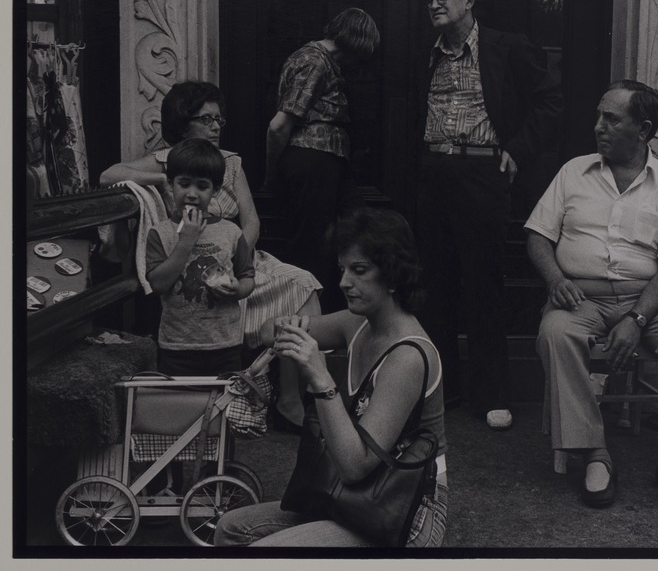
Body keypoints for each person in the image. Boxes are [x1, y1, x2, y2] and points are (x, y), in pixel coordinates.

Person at [524, 79, 658, 510]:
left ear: (643, 129)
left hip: (649, 296)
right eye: (598, 116)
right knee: (555, 334)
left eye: (611, 119)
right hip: (580, 296)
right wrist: (556, 280)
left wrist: (638, 318)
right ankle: (593, 452)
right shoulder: (574, 171)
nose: (598, 127)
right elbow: (537, 236)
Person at [214, 208, 448, 547]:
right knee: (232, 527)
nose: (343, 282)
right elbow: (269, 331)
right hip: (354, 497)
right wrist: (285, 328)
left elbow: (356, 465)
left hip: (402, 513)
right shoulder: (358, 323)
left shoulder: (407, 356)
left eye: (359, 270)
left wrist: (320, 378)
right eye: (342, 269)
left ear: (394, 276)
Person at [100, 81, 321, 427]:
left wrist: (236, 257)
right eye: (207, 119)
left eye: (220, 120)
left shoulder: (229, 163)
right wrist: (163, 177)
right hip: (186, 263)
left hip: (233, 255)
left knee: (304, 284)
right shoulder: (166, 163)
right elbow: (107, 175)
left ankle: (291, 397)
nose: (216, 127)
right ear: (183, 122)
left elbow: (251, 221)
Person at [412, 0, 564, 429]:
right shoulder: (427, 52)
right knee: (433, 286)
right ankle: (441, 389)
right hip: (434, 172)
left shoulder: (507, 47)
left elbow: (551, 100)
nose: (434, 3)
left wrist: (517, 149)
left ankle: (491, 394)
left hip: (483, 174)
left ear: (469, 0)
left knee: (483, 285)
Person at [263, 8, 380, 313]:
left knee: (353, 231)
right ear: (355, 42)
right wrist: (271, 174)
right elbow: (279, 126)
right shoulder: (313, 61)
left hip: (330, 160)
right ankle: (306, 325)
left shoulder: (324, 62)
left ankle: (333, 316)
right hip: (312, 159)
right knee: (311, 246)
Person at [145, 138, 255, 375]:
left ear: (215, 190)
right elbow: (158, 284)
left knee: (222, 406)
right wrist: (186, 241)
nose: (192, 194)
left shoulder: (232, 232)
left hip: (225, 344)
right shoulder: (160, 233)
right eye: (184, 184)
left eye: (202, 187)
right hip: (177, 346)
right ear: (170, 184)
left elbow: (247, 277)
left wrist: (238, 289)